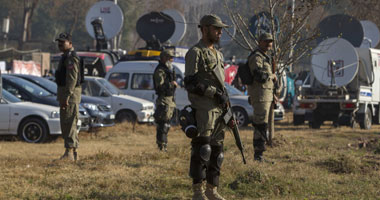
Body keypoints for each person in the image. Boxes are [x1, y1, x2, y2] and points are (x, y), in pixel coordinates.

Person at [184, 14, 229, 200]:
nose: (219, 32)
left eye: (220, 29)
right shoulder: (196, 52)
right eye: (216, 28)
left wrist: (224, 99)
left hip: (219, 109)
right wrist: (213, 93)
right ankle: (198, 192)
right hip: (204, 109)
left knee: (217, 152)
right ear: (204, 29)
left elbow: (221, 83)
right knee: (203, 150)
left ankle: (212, 190)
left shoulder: (218, 54)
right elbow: (190, 82)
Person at [247, 32, 277, 162]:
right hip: (260, 95)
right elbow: (259, 76)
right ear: (259, 42)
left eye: (270, 41)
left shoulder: (266, 57)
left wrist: (273, 94)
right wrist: (272, 76)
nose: (269, 43)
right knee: (260, 125)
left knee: (263, 125)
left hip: (266, 95)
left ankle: (260, 154)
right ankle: (258, 156)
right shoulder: (256, 57)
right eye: (266, 41)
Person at [55, 32, 82, 161]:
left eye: (63, 42)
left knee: (69, 123)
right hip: (66, 94)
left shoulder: (71, 57)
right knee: (68, 123)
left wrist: (67, 96)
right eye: (59, 42)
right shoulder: (65, 56)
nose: (60, 44)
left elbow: (72, 78)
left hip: (69, 95)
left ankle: (69, 153)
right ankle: (73, 152)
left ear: (70, 43)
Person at [153, 49, 177, 151]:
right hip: (164, 100)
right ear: (164, 58)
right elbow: (160, 87)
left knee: (167, 123)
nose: (171, 60)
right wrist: (171, 84)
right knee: (163, 124)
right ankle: (161, 146)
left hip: (170, 99)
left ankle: (164, 145)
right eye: (169, 58)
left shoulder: (169, 70)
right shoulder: (160, 71)